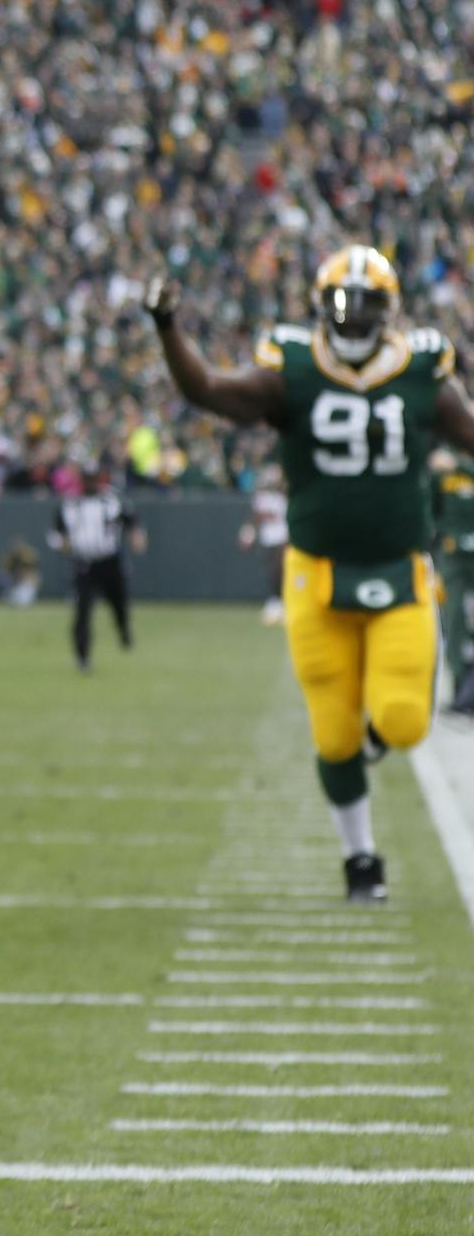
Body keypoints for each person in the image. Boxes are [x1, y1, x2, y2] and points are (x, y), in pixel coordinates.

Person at [149, 250, 474, 902]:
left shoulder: (420, 373)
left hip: (400, 569)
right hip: (317, 576)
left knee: (406, 719)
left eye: (366, 306)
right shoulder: (290, 372)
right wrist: (166, 327)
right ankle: (361, 861)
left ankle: (373, 744)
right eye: (342, 304)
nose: (353, 320)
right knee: (332, 733)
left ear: (392, 313)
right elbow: (207, 389)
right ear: (321, 306)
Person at [51, 464, 143, 673]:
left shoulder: (111, 501)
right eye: (87, 479)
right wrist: (65, 546)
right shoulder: (70, 504)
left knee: (119, 603)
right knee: (82, 611)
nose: (91, 483)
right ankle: (82, 657)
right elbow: (59, 531)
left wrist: (136, 536)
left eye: (93, 478)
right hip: (84, 563)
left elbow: (131, 521)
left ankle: (123, 630)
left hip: (108, 560)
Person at [431, 448, 474, 716]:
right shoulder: (441, 464)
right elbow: (431, 508)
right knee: (454, 621)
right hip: (454, 555)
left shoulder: (454, 462)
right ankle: (461, 692)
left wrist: (458, 464)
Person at [239, 464, 290, 625]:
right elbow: (255, 518)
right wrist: (248, 533)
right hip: (268, 537)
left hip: (283, 536)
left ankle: (283, 602)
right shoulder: (262, 498)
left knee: (281, 569)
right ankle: (275, 602)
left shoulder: (284, 497)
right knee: (271, 570)